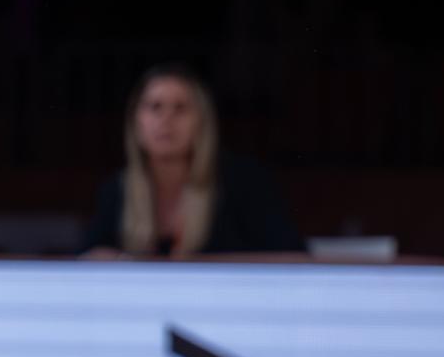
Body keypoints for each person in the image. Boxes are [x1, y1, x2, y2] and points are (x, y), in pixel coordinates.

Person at [81, 65, 301, 258]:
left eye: (180, 108)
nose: (166, 119)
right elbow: (87, 258)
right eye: (155, 107)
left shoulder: (243, 183)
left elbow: (294, 257)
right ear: (135, 122)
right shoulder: (117, 190)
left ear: (202, 122)